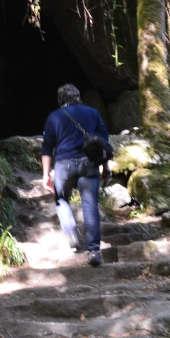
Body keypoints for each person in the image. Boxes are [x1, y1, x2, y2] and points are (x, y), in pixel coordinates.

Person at [41, 83, 111, 267]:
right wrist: (106, 168)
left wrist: (45, 174)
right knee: (90, 206)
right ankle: (94, 251)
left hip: (64, 164)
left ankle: (70, 231)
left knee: (61, 199)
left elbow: (47, 147)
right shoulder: (92, 113)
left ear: (60, 99)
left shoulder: (54, 116)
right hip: (89, 163)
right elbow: (103, 143)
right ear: (78, 97)